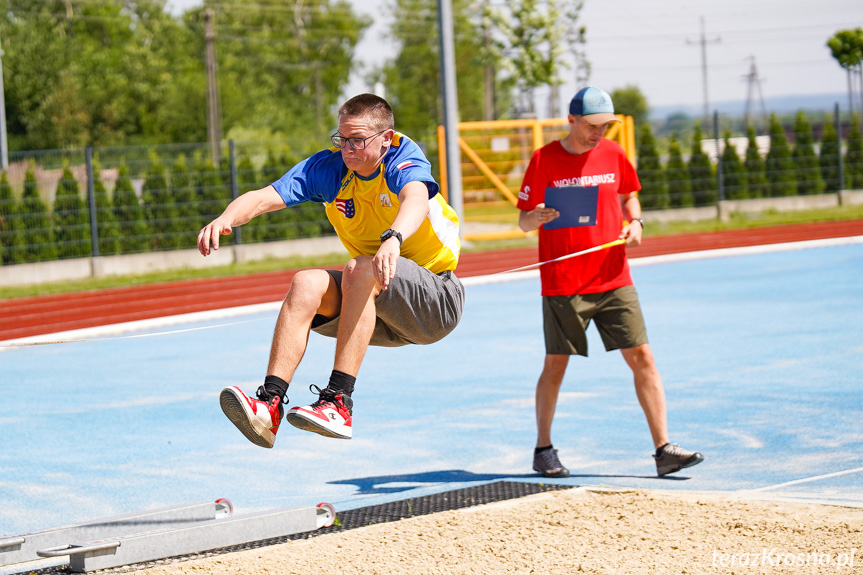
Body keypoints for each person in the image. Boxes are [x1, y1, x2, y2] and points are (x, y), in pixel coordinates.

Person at [198, 93, 464, 447]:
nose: (348, 149)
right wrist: (225, 218)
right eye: (342, 139)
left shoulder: (402, 157)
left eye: (358, 140)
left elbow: (415, 197)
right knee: (306, 283)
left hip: (435, 302)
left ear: (386, 138)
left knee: (359, 267)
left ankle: (338, 402)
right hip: (378, 304)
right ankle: (269, 406)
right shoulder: (331, 169)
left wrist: (394, 238)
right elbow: (265, 196)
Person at [516, 86, 703, 477]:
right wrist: (537, 217)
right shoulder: (543, 159)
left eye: (605, 125)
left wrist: (635, 222)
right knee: (556, 365)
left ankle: (663, 450)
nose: (599, 132)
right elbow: (522, 220)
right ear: (571, 120)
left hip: (614, 277)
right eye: (592, 125)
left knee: (643, 358)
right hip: (564, 282)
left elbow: (629, 197)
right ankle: (543, 449)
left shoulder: (614, 154)